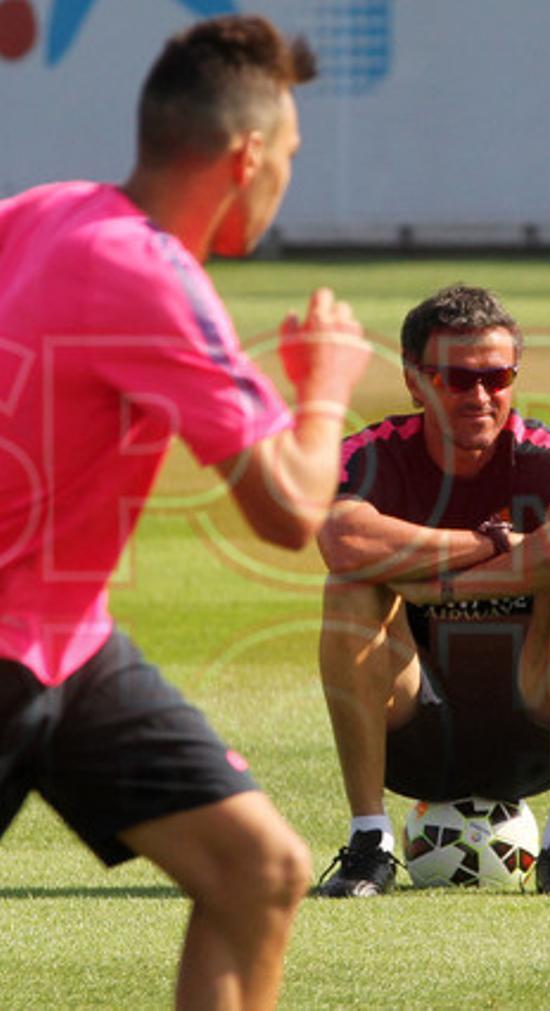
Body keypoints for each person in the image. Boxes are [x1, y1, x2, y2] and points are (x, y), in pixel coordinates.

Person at [0, 15, 370, 1011]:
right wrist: (325, 384)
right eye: (288, 156)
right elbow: (292, 511)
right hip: (11, 642)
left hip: (64, 641)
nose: (286, 176)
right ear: (247, 159)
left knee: (259, 872)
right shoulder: (155, 276)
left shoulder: (43, 210)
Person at [315, 283, 550, 899]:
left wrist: (437, 585)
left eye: (498, 376)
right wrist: (494, 542)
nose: (481, 396)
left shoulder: (546, 455)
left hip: (533, 731)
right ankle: (369, 844)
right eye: (457, 379)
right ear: (414, 381)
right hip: (412, 734)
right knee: (351, 584)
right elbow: (343, 542)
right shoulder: (372, 455)